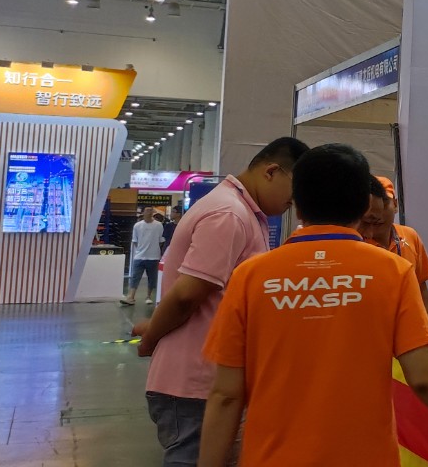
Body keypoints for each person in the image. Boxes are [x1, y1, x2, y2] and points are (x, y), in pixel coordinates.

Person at [199, 144, 428, 466]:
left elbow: (226, 395)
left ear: (298, 205)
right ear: (364, 204)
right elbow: (423, 377)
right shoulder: (392, 272)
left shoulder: (250, 277)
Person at [132, 137, 309, 467]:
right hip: (195, 385)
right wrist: (151, 338)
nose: (295, 201)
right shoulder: (229, 214)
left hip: (208, 381)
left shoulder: (241, 212)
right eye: (295, 190)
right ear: (272, 171)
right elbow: (187, 295)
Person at [363, 176, 428, 323]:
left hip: (409, 328)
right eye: (370, 206)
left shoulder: (410, 236)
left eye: (384, 203)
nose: (377, 214)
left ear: (395, 205)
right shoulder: (356, 244)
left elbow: (422, 291)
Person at [122, 209, 166, 305]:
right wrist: (141, 249)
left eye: (150, 211)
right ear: (143, 213)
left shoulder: (158, 225)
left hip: (153, 256)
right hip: (140, 256)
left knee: (152, 278)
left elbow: (161, 240)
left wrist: (154, 248)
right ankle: (131, 297)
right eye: (147, 211)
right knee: (135, 277)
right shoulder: (137, 226)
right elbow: (135, 240)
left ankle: (148, 296)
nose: (148, 213)